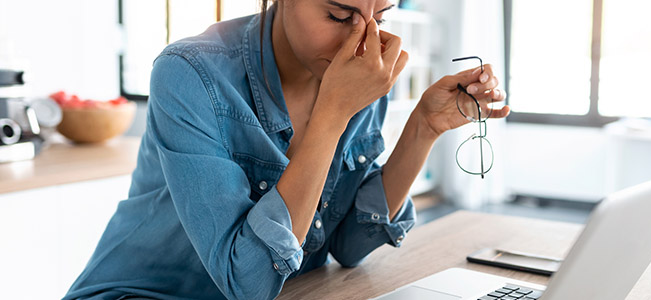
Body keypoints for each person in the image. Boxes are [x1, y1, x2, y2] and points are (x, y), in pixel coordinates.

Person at [63, 0, 508, 299]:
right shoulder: (190, 74)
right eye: (338, 15)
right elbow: (248, 282)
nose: (364, 44)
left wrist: (423, 128)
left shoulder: (360, 75)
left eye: (382, 17)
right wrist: (332, 114)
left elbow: (348, 245)